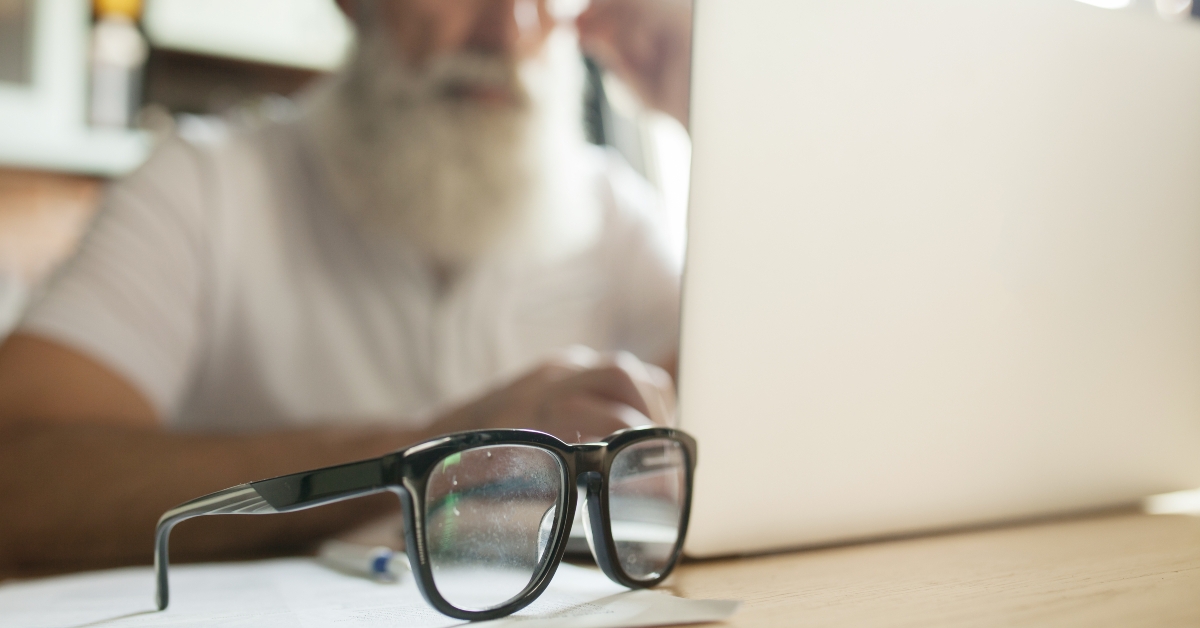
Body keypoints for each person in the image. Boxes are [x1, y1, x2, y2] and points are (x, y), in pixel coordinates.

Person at [0, 0, 692, 577]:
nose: (509, 30)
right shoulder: (202, 189)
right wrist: (437, 453)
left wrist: (702, 102)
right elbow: (20, 476)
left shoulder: (612, 210)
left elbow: (752, 429)